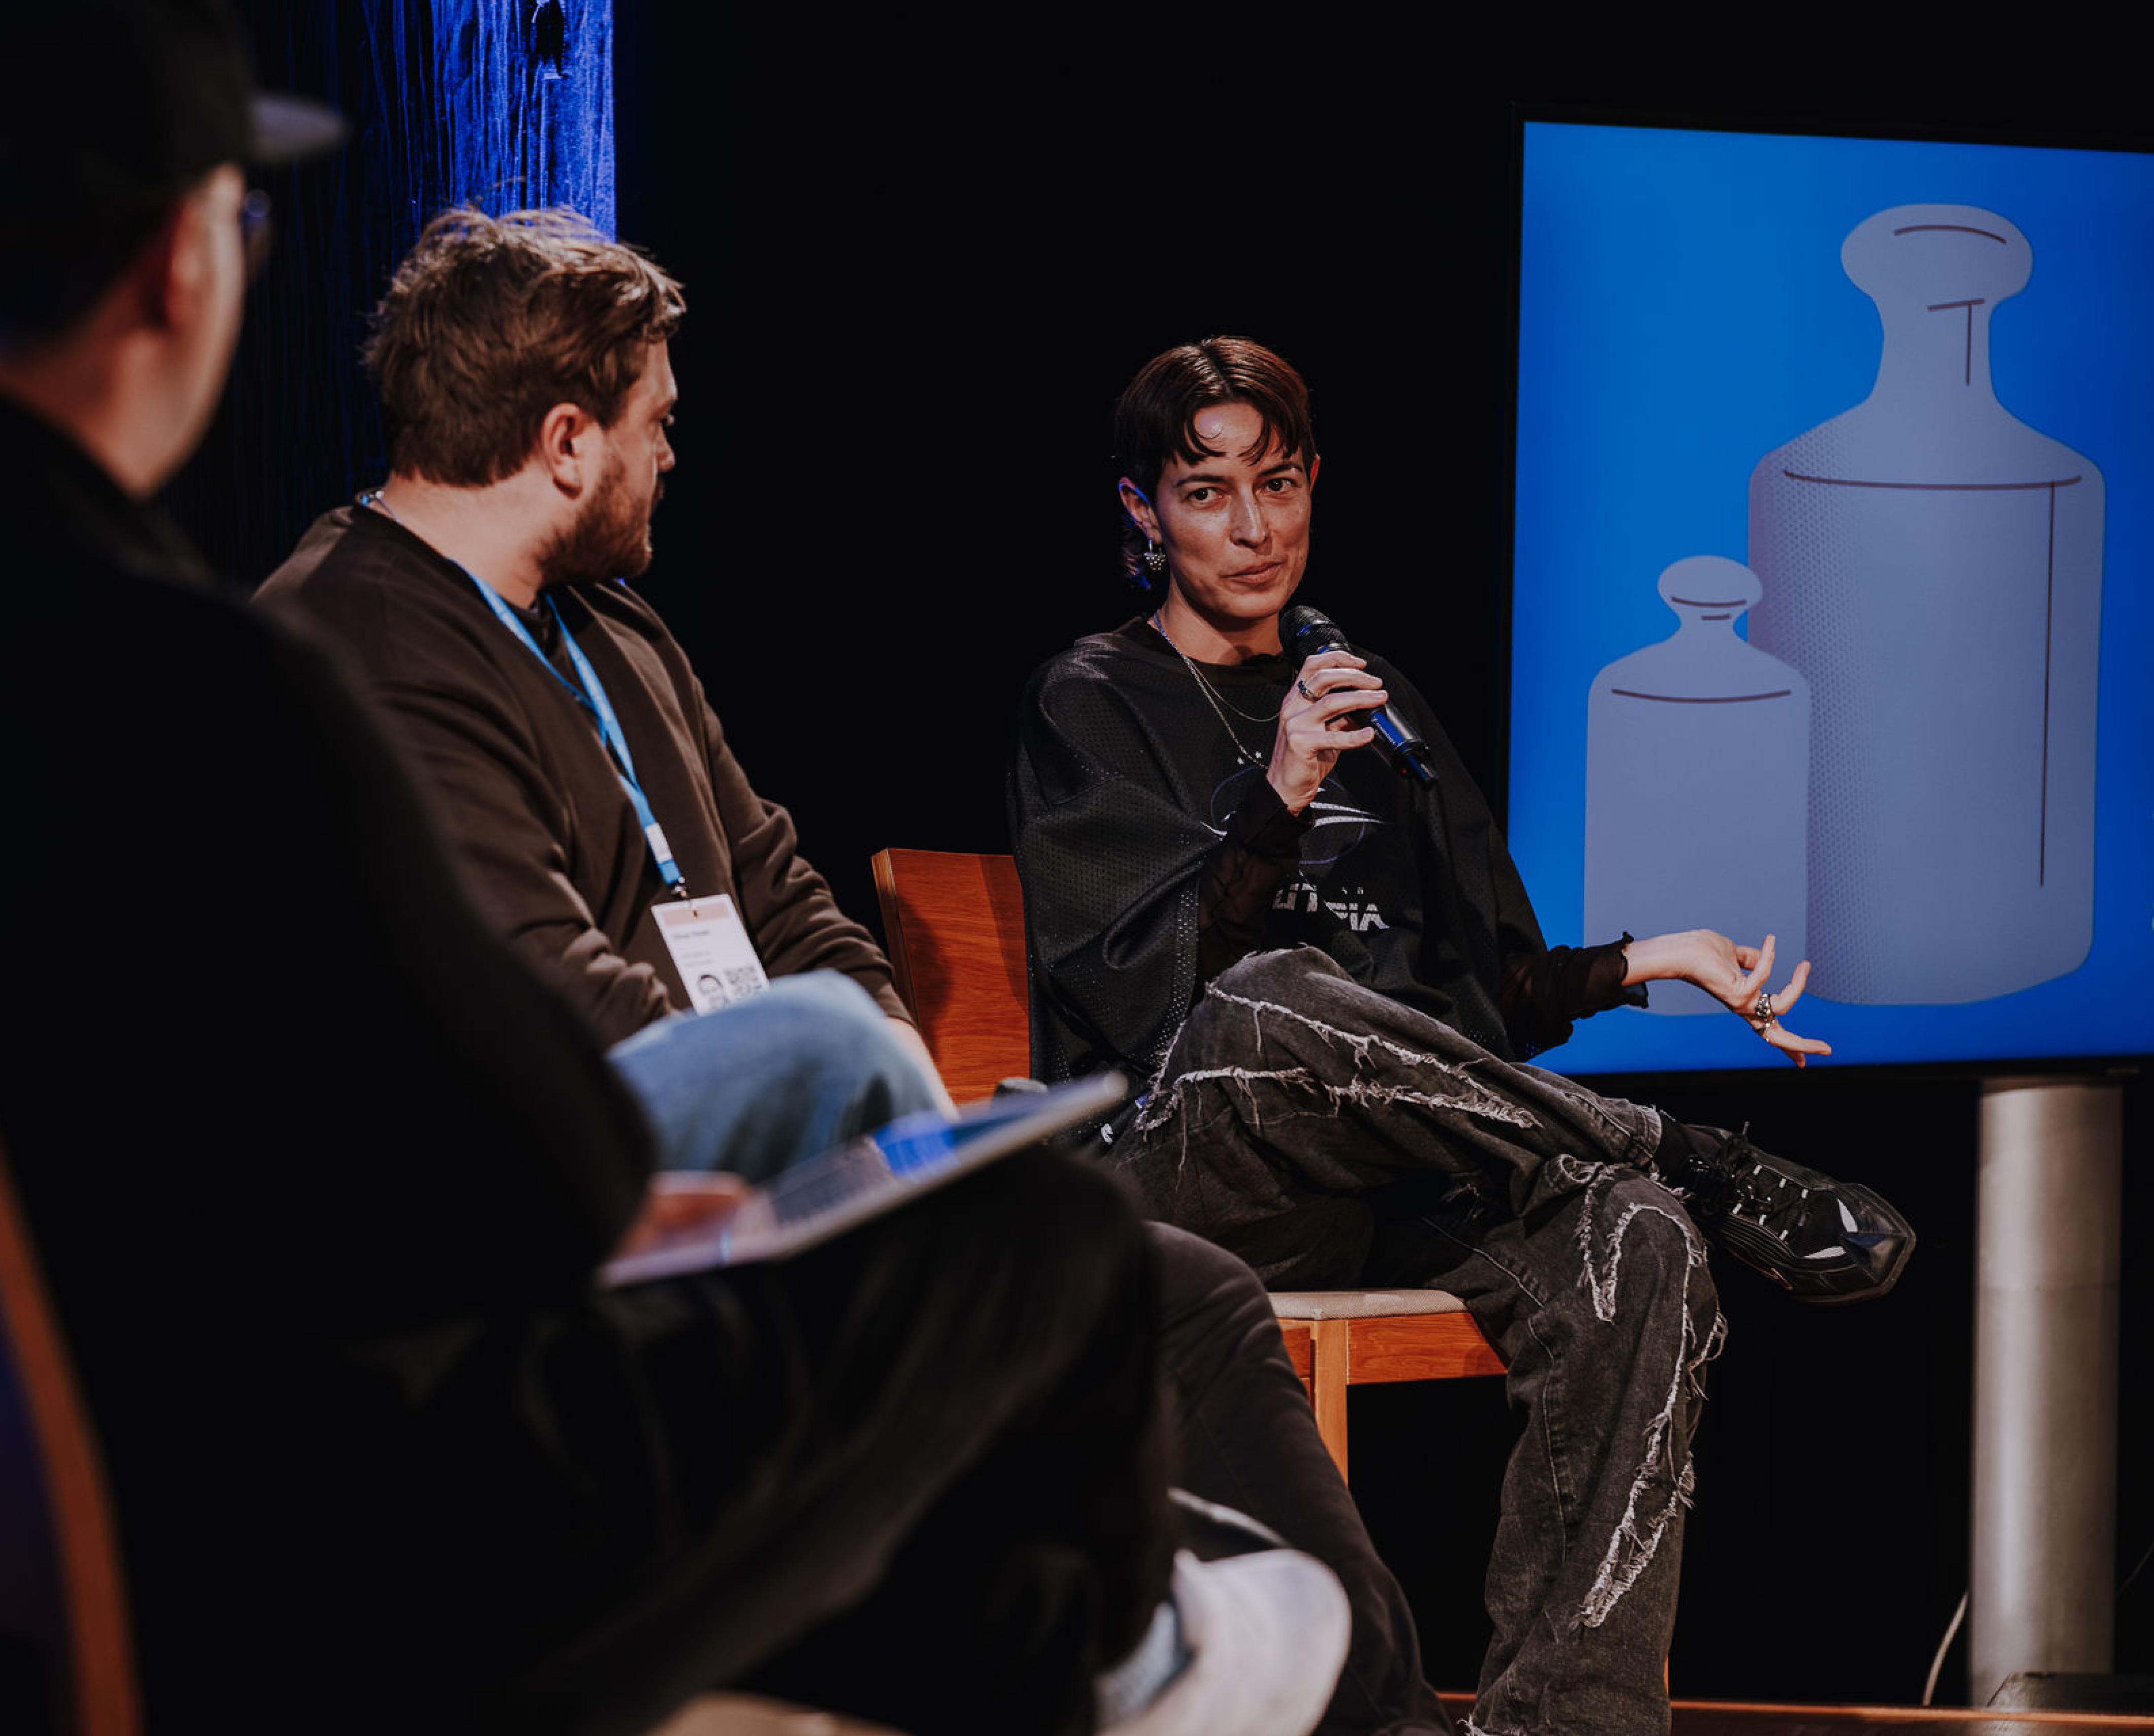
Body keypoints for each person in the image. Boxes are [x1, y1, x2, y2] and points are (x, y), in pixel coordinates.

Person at [0, 5, 1364, 1728]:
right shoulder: (204, 678)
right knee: (1037, 1247)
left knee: (911, 1415)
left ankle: (1094, 1643)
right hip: (304, 1574)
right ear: (177, 266)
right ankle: (1139, 1651)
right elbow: (555, 1164)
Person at [257, 211, 1451, 1736]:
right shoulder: (362, 642)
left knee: (1188, 1292)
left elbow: (790, 893)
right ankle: (1138, 1647)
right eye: (656, 424)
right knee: (1031, 1230)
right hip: (607, 1243)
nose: (672, 456)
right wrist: (868, 1130)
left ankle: (1377, 1713)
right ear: (566, 441)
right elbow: (560, 1024)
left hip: (769, 1184)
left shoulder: (615, 625)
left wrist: (889, 1078)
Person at [1008, 336, 1919, 1736]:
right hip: (1189, 1175)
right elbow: (1149, 1002)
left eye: (1279, 482)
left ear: (1316, 482)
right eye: (1207, 493)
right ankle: (1695, 1152)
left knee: (1640, 1241)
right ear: (1143, 511)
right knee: (1278, 999)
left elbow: (1476, 1011)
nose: (1255, 529)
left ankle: (1567, 1721)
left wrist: (1643, 961)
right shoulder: (1092, 699)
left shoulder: (1380, 695)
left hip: (1388, 1188)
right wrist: (1280, 791)